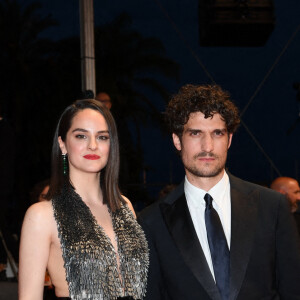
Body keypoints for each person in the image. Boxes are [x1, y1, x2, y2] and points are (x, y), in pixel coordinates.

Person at [138, 84, 300, 300]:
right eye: (196, 133)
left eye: (217, 133)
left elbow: (293, 290)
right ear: (177, 140)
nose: (208, 146)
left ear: (229, 139)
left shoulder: (272, 207)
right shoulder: (151, 222)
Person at [19, 99, 149, 300]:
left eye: (102, 137)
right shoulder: (42, 216)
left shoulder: (124, 206)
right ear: (63, 144)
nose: (93, 145)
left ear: (111, 144)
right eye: (81, 136)